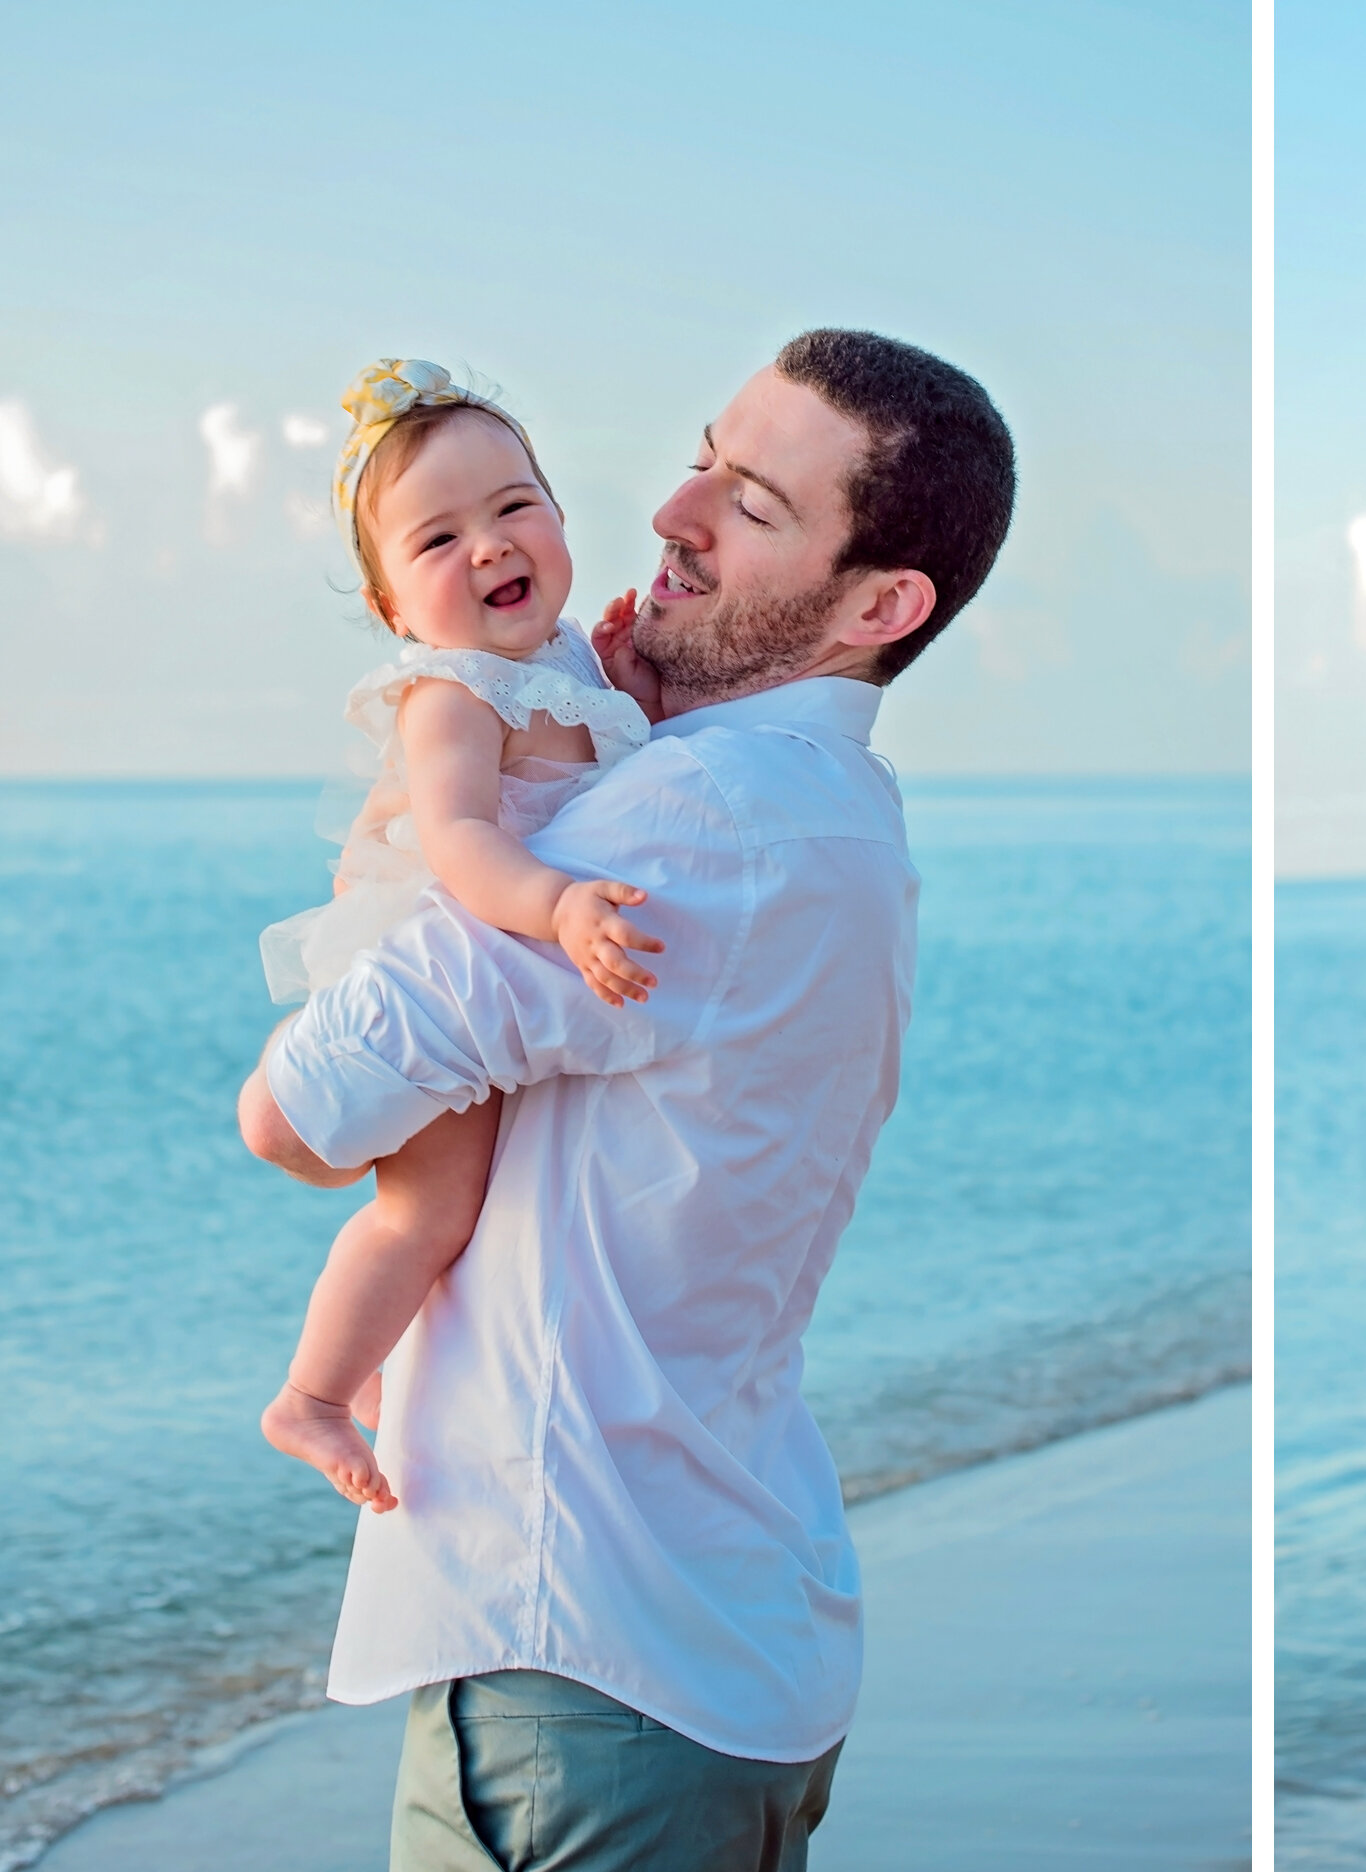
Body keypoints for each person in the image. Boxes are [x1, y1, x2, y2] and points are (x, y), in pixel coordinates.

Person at [237, 329, 1016, 1871]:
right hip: (725, 1634)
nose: (674, 510)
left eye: (753, 503)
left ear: (881, 605)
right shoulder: (831, 811)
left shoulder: (696, 817)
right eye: (703, 456)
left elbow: (298, 1118)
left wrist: (417, 848)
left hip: (577, 1668)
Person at [257, 360, 661, 1513]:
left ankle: (389, 1371)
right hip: (441, 953)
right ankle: (318, 1395)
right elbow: (461, 841)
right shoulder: (453, 696)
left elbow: (612, 748)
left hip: (502, 979)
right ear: (393, 609)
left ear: (560, 516)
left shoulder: (570, 658)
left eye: (513, 507)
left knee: (477, 1210)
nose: (488, 547)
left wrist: (628, 668)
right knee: (430, 1209)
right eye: (437, 542)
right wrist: (558, 906)